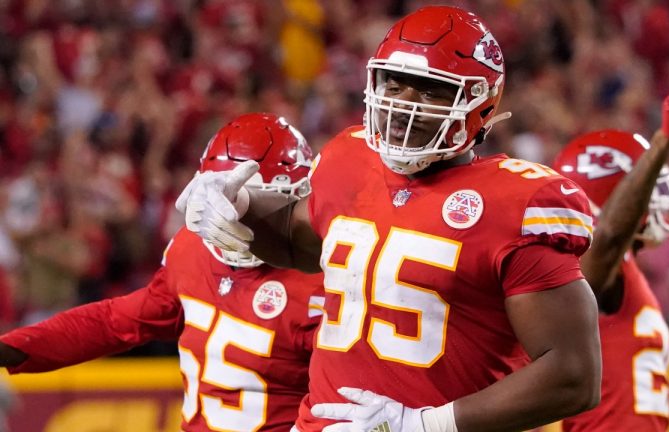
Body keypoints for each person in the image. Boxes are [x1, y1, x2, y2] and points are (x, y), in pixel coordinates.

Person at [177, 6, 602, 432]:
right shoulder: (350, 158)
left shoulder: (518, 202)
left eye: (430, 91)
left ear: (480, 104)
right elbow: (298, 241)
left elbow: (573, 376)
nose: (403, 106)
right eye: (394, 85)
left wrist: (425, 426)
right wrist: (235, 206)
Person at [0, 113, 325, 432]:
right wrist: (15, 349)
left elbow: (343, 407)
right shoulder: (192, 249)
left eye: (252, 204)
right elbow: (113, 323)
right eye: (223, 198)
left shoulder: (327, 282)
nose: (232, 214)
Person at [549, 58, 669, 431]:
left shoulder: (626, 270)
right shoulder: (591, 266)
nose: (658, 199)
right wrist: (664, 140)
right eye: (646, 188)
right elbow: (608, 238)